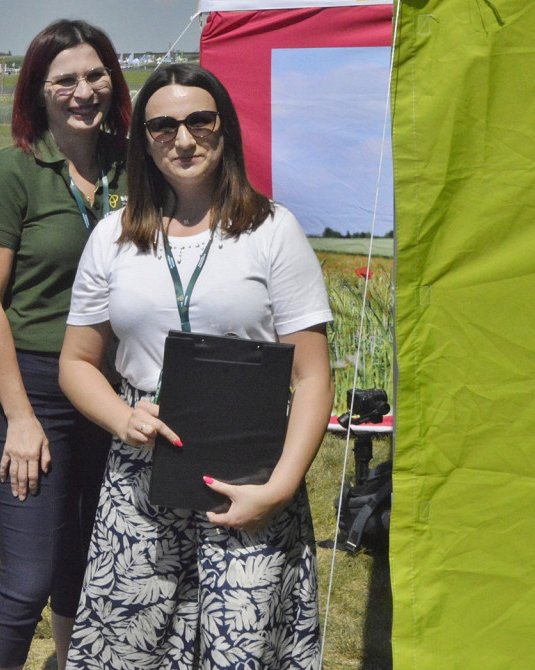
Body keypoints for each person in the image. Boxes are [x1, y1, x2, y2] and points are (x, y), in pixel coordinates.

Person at [59, 64, 335, 669]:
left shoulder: (272, 230)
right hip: (140, 484)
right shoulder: (112, 237)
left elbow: (313, 377)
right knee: (131, 653)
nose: (182, 140)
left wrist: (280, 489)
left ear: (224, 128)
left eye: (199, 121)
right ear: (144, 140)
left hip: (250, 479)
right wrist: (122, 417)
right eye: (162, 126)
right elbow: (78, 362)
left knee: (241, 652)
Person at [0, 19, 131, 670]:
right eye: (66, 79)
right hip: (35, 387)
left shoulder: (134, 163)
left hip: (114, 386)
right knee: (28, 575)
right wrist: (21, 418)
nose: (84, 90)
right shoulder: (14, 171)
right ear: (39, 92)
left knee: (85, 555)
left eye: (96, 75)